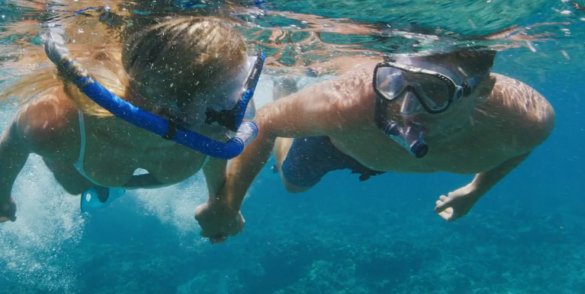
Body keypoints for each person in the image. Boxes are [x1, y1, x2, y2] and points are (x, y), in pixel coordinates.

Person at [195, 49, 555, 240]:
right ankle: (287, 87)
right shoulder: (346, 106)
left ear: (483, 91)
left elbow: (519, 147)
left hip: (373, 151)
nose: (406, 109)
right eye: (395, 82)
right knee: (292, 185)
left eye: (434, 91)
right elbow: (266, 121)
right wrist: (228, 205)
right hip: (338, 140)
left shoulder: (524, 122)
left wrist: (475, 190)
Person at [0, 1, 263, 223]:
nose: (237, 110)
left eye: (236, 91)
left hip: (121, 152)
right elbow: (13, 140)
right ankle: (92, 183)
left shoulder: (210, 122)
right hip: (85, 155)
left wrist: (218, 200)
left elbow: (214, 143)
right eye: (225, 96)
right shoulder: (55, 124)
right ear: (168, 107)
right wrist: (1, 196)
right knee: (76, 187)